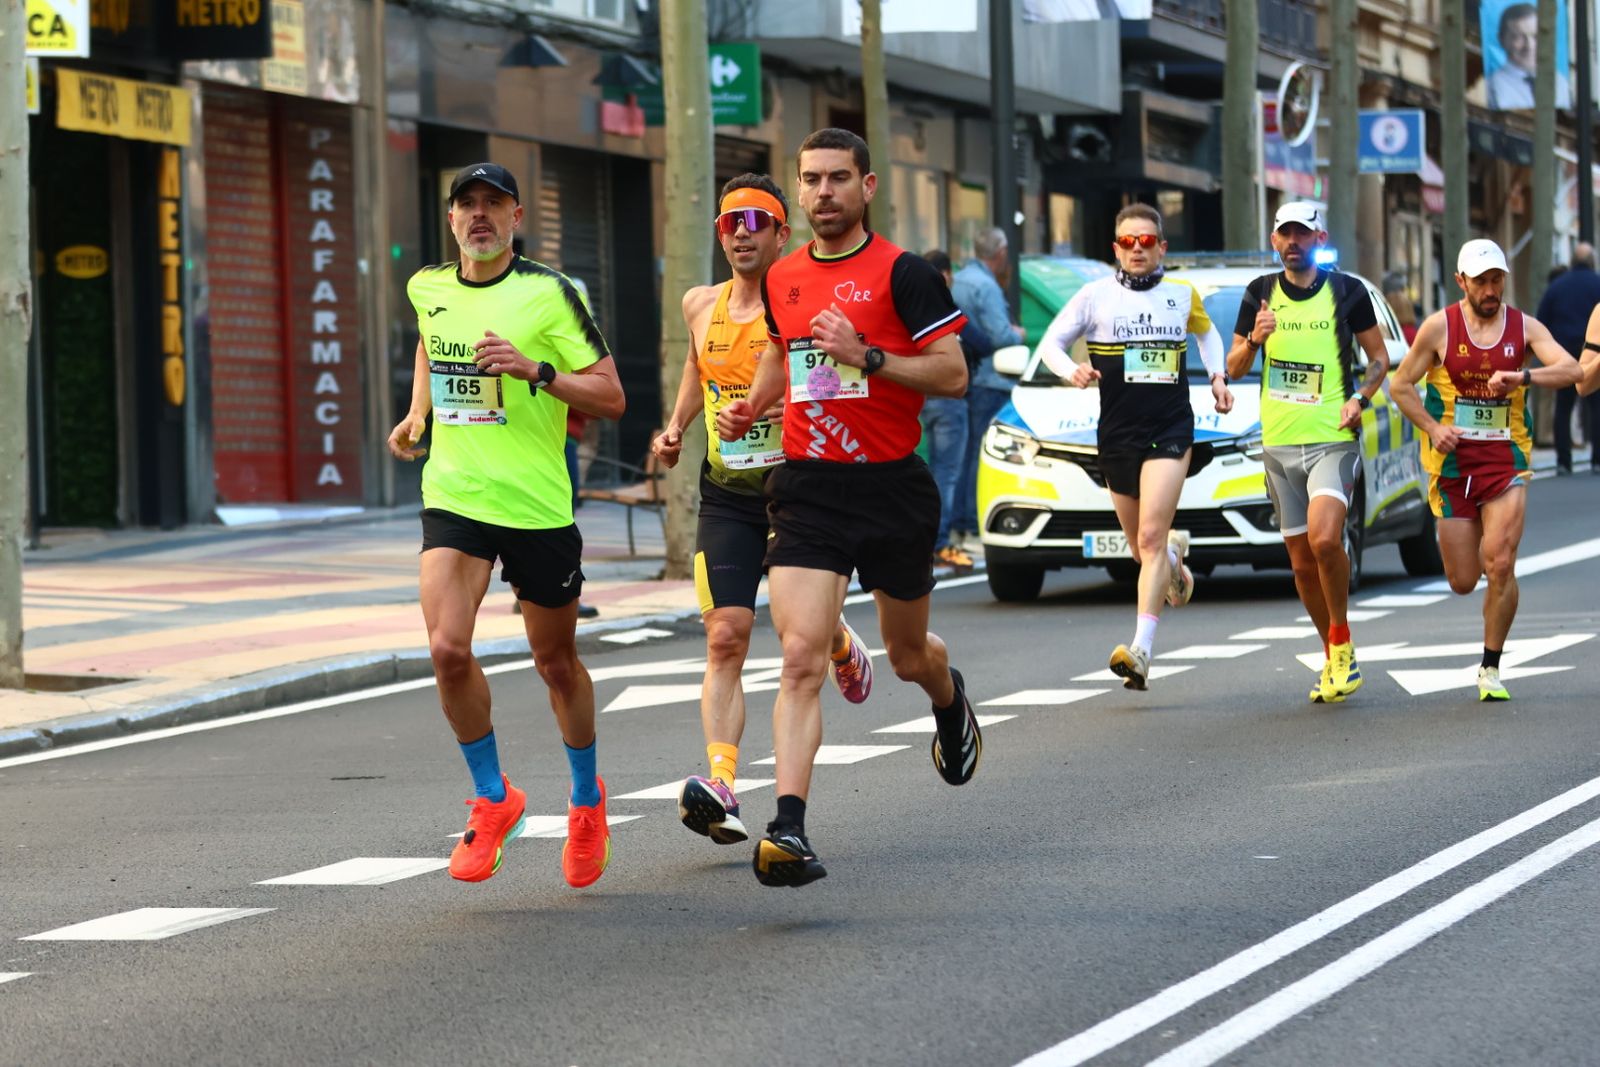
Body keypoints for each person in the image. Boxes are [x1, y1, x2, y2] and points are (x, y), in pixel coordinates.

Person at [715, 128, 982, 888]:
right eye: (811, 179)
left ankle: (948, 692)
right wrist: (750, 407)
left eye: (838, 178)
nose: (823, 192)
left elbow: (953, 374)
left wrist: (865, 353)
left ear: (867, 187)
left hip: (893, 485)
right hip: (808, 484)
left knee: (906, 655)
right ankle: (788, 828)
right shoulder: (785, 276)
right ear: (798, 191)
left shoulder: (902, 274)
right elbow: (780, 348)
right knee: (800, 657)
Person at [387, 163, 626, 887]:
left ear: (518, 215)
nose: (479, 215)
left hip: (536, 505)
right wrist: (419, 412)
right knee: (446, 648)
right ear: (451, 218)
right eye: (468, 204)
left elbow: (612, 394)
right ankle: (494, 798)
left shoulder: (551, 293)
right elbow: (435, 341)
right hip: (456, 496)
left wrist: (536, 370)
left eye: (494, 203)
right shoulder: (426, 287)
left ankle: (586, 799)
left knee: (554, 662)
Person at [652, 173, 875, 847]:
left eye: (757, 221)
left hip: (798, 485)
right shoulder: (699, 304)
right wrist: (676, 424)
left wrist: (801, 400)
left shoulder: (810, 301)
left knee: (797, 634)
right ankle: (722, 784)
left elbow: (851, 377)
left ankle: (837, 637)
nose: (742, 233)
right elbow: (697, 366)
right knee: (725, 635)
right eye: (730, 223)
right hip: (726, 488)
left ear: (784, 233)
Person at [1036, 204, 1233, 690]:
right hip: (1117, 432)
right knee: (1141, 549)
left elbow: (1208, 337)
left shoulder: (1182, 295)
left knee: (1148, 537)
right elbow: (1050, 346)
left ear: (1162, 247)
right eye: (1128, 242)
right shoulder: (1093, 296)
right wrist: (1072, 371)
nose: (1138, 249)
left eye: (1147, 241)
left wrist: (1218, 377)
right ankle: (1174, 567)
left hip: (1170, 428)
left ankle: (1142, 649)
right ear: (1116, 249)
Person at [1388, 240, 1581, 700]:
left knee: (1499, 561)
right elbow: (1400, 386)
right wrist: (1434, 428)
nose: (1491, 290)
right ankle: (1495, 589)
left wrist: (1525, 377)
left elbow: (1572, 369)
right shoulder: (1439, 329)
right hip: (1453, 463)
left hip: (1505, 459)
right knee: (1461, 579)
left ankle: (1490, 666)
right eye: (1481, 282)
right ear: (1461, 282)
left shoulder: (1524, 327)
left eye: (1497, 280)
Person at [1226, 202, 1392, 704]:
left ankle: (1340, 640)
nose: (1293, 241)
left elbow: (1379, 359)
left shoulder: (1347, 291)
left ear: (1319, 237)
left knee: (1325, 541)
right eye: (1284, 234)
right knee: (1300, 565)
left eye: (1301, 233)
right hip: (1278, 444)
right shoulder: (1258, 294)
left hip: (1331, 440)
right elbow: (1233, 368)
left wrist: (1360, 400)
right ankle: (1333, 654)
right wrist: (1254, 340)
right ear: (1274, 241)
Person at [952, 227, 1027, 547]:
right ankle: (971, 523)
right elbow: (1000, 336)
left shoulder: (959, 280)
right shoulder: (987, 286)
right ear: (1000, 254)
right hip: (991, 379)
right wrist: (1018, 333)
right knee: (983, 456)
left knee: (962, 455)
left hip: (965, 376)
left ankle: (960, 524)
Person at [921, 249, 995, 569]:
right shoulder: (943, 308)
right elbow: (983, 343)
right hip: (950, 399)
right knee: (947, 473)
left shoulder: (913, 307)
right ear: (947, 275)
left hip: (922, 397)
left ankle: (933, 541)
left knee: (931, 470)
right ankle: (940, 542)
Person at [1534, 242, 1600, 474]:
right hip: (1593, 351)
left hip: (1563, 352)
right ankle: (1597, 459)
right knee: (1596, 406)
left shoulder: (1557, 287)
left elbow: (1540, 320)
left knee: (1563, 406)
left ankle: (1563, 460)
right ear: (1592, 261)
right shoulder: (1597, 283)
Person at [1486, 3, 1572, 110]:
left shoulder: (1560, 84)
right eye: (1518, 37)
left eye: (1535, 36)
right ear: (1502, 40)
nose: (1529, 46)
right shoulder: (1492, 87)